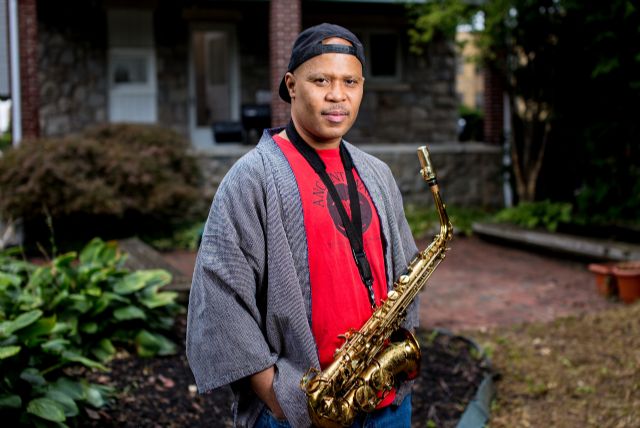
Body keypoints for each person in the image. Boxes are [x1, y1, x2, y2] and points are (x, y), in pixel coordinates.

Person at [186, 23, 419, 428]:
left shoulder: (377, 173)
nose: (337, 95)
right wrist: (277, 397)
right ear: (292, 85)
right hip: (301, 407)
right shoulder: (253, 176)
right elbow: (219, 295)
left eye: (350, 81)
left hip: (386, 401)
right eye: (321, 80)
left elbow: (406, 272)